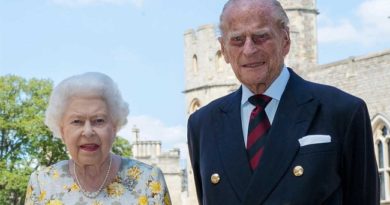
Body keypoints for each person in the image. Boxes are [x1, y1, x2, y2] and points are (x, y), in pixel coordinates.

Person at [187, 0, 379, 204]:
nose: (249, 50)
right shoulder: (203, 124)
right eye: (237, 39)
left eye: (261, 37)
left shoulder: (342, 112)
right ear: (223, 50)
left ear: (285, 40)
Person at [25, 72, 171, 205]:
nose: (88, 132)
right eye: (77, 121)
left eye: (99, 120)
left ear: (114, 127)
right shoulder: (41, 183)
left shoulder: (149, 180)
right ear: (62, 131)